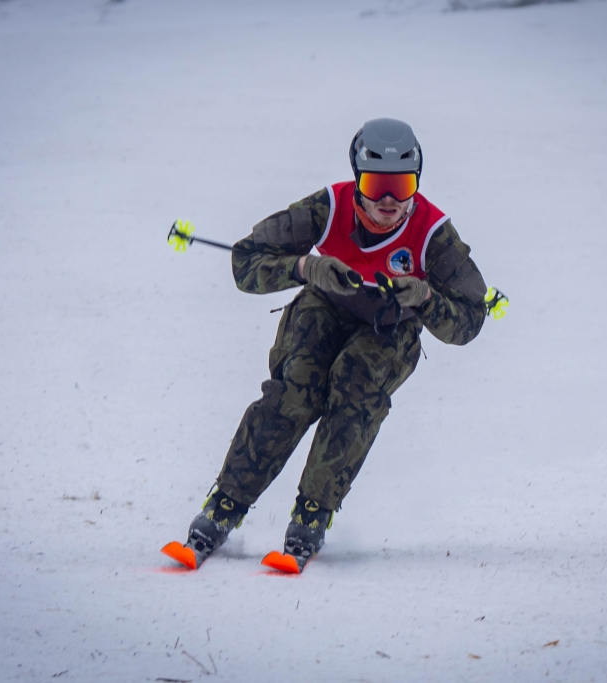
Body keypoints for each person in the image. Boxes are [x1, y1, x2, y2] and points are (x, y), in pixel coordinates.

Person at [184, 118, 488, 570]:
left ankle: (312, 513)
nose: (389, 200)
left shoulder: (432, 232)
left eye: (402, 185)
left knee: (356, 385)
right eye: (376, 184)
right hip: (325, 307)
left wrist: (425, 298)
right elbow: (246, 260)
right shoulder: (326, 208)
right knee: (295, 392)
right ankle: (225, 505)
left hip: (390, 324)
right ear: (356, 178)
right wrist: (305, 268)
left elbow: (469, 319)